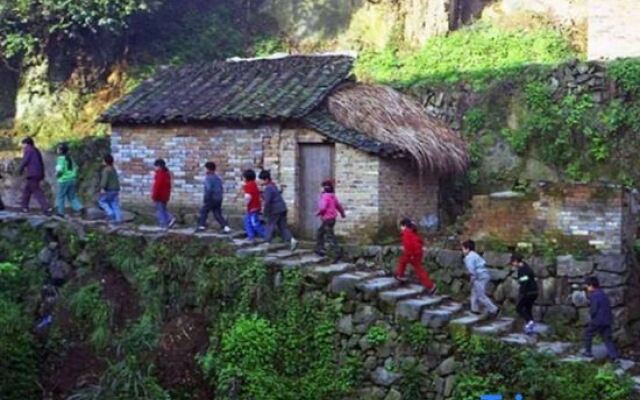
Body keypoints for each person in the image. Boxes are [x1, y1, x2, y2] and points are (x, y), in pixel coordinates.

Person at [394, 218, 437, 295]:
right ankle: (399, 274)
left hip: (413, 254)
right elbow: (419, 241)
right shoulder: (412, 231)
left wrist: (410, 255)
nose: (400, 228)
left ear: (403, 225)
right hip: (416, 253)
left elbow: (408, 245)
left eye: (401, 226)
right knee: (402, 261)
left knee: (419, 270)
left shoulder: (406, 233)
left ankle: (431, 286)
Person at [258, 170, 297, 251]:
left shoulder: (268, 188)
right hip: (282, 208)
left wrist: (265, 212)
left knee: (270, 224)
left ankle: (267, 242)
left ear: (266, 179)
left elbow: (268, 201)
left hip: (275, 210)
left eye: (262, 180)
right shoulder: (273, 186)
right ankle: (291, 240)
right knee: (283, 227)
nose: (260, 181)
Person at [583, 276, 619, 360]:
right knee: (607, 338)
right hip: (607, 320)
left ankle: (587, 352)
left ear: (591, 285)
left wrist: (592, 316)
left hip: (598, 320)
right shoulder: (603, 293)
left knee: (588, 333)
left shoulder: (594, 295)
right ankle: (614, 357)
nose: (587, 288)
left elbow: (594, 309)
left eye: (588, 286)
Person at [461, 240, 499, 317]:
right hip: (483, 275)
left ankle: (494, 309)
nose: (462, 250)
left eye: (463, 248)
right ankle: (474, 309)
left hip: (480, 276)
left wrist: (472, 279)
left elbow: (472, 270)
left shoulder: (469, 257)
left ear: (467, 249)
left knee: (480, 295)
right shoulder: (474, 255)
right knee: (474, 292)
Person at [18, 137, 52, 214]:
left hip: (32, 174)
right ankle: (24, 207)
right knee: (27, 190)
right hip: (38, 173)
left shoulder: (28, 150)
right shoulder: (36, 150)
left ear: (26, 144)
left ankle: (46, 208)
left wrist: (20, 170)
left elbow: (25, 161)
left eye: (23, 144)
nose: (22, 146)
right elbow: (41, 163)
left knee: (37, 191)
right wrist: (42, 174)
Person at [315, 179, 345, 259]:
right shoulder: (333, 196)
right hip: (332, 219)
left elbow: (323, 207)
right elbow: (338, 206)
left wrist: (318, 213)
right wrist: (342, 213)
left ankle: (336, 252)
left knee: (329, 236)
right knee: (321, 233)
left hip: (327, 219)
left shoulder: (325, 196)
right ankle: (320, 249)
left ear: (324, 188)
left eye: (321, 187)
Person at [196, 161, 230, 233]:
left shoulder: (209, 178)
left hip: (211, 198)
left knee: (204, 211)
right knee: (217, 213)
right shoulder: (217, 178)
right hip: (218, 198)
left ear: (208, 169)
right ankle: (226, 227)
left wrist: (206, 198)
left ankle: (201, 226)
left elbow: (209, 189)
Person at [511, 253, 538, 334]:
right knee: (528, 309)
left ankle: (530, 322)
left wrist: (521, 293)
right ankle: (531, 327)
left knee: (519, 308)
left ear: (516, 261)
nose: (512, 264)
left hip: (528, 292)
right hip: (535, 291)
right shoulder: (526, 266)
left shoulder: (522, 270)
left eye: (513, 262)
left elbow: (524, 281)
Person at [54, 143, 83, 218]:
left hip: (64, 180)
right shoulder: (70, 158)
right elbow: (76, 167)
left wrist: (56, 175)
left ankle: (61, 213)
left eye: (58, 149)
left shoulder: (60, 159)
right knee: (72, 196)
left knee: (61, 196)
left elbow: (59, 170)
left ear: (60, 151)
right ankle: (79, 208)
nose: (57, 150)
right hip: (72, 179)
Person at [97, 154, 122, 224]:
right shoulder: (113, 169)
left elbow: (104, 180)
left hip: (109, 190)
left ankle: (110, 213)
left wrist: (102, 188)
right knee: (114, 204)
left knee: (102, 201)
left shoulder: (106, 170)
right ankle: (118, 219)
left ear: (105, 161)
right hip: (116, 189)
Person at [151, 159, 176, 229]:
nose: (154, 168)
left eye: (155, 166)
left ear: (159, 166)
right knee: (163, 209)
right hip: (165, 195)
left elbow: (157, 186)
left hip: (159, 196)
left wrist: (154, 196)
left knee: (160, 210)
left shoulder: (160, 174)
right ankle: (170, 219)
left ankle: (164, 224)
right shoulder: (166, 173)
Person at [242, 169, 265, 241]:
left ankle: (265, 234)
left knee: (254, 223)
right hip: (256, 206)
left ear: (246, 178)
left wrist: (245, 204)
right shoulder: (254, 184)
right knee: (247, 221)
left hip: (252, 207)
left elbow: (248, 197)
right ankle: (250, 236)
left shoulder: (248, 186)